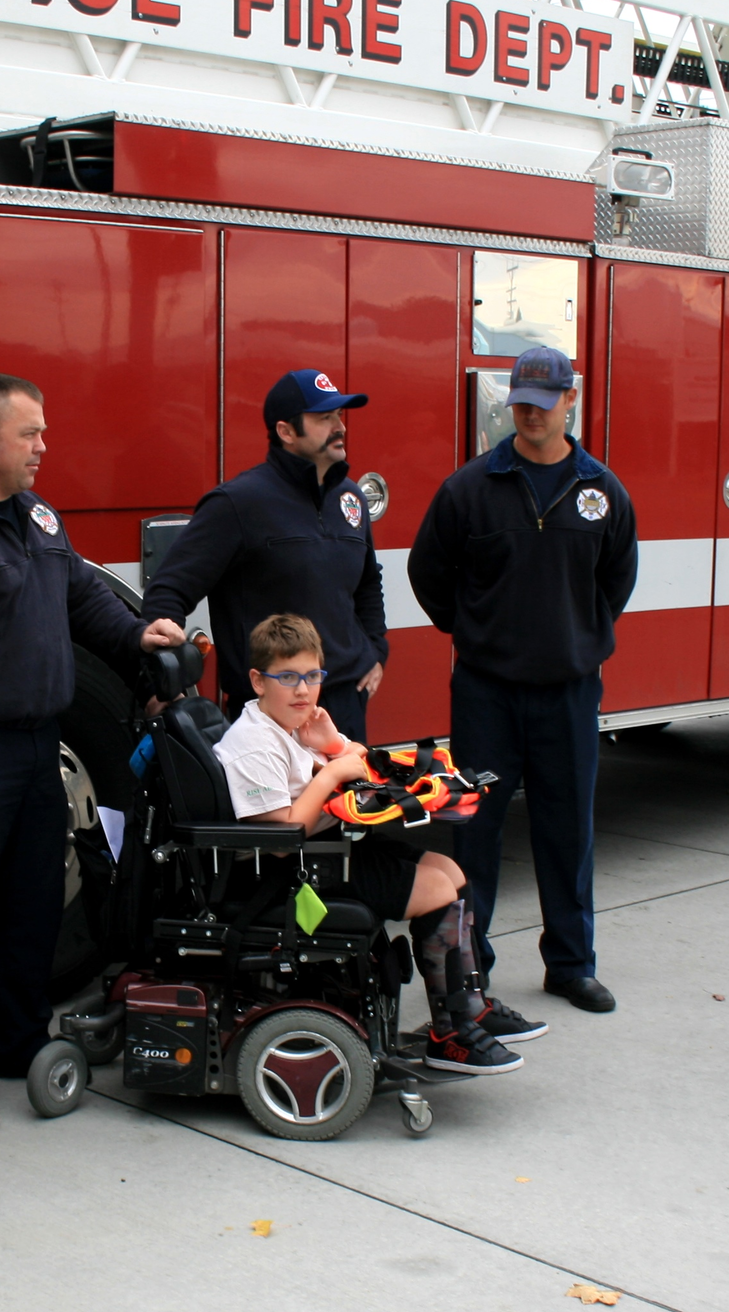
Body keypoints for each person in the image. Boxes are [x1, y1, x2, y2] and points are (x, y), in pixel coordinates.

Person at [0, 373, 185, 1131]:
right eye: (31, 434)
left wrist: (136, 633)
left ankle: (15, 1043)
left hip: (38, 748)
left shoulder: (39, 517)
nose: (44, 446)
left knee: (30, 910)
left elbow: (79, 598)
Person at [407, 345, 637, 1014]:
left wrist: (579, 635)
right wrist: (474, 629)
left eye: (543, 404)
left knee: (568, 831)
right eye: (521, 405)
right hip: (486, 691)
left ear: (570, 401)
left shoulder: (601, 491)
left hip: (569, 690)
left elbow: (616, 578)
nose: (530, 416)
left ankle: (571, 964)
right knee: (473, 829)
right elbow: (429, 573)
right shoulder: (470, 489)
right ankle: (470, 968)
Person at [213, 614, 544, 1072]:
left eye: (312, 676)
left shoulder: (289, 727)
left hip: (328, 852)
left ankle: (471, 1008)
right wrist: (329, 771)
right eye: (287, 678)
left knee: (452, 873)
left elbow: (363, 766)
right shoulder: (254, 744)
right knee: (436, 891)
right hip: (291, 873)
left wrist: (330, 745)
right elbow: (280, 839)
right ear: (257, 680)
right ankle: (449, 1036)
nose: (303, 690)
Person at [142, 369, 388, 742]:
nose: (340, 426)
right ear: (286, 432)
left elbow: (368, 583)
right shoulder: (237, 503)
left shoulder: (350, 498)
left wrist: (375, 651)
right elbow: (168, 592)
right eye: (324, 418)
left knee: (346, 803)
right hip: (268, 717)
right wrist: (167, 683)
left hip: (345, 707)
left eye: (339, 415)